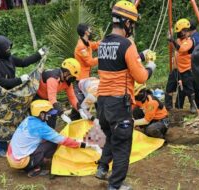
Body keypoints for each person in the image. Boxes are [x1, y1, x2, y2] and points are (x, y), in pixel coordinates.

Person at [95, 1, 156, 189]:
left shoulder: (103, 42)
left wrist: (140, 56)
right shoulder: (127, 44)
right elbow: (140, 76)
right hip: (118, 103)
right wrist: (150, 67)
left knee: (111, 136)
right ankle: (116, 184)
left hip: (102, 103)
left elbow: (118, 61)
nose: (132, 28)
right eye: (132, 24)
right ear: (126, 23)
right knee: (122, 144)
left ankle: (102, 168)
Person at [0, 35, 46, 157]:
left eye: (9, 48)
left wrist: (38, 54)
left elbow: (23, 62)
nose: (8, 51)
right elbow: (0, 81)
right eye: (6, 49)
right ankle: (0, 148)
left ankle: (17, 142)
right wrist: (19, 80)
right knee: (2, 120)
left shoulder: (8, 57)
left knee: (16, 116)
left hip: (12, 93)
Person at [6, 100, 99, 177]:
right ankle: (33, 168)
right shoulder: (41, 127)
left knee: (49, 141)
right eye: (48, 113)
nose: (50, 115)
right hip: (20, 162)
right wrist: (85, 144)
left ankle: (32, 161)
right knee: (53, 144)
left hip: (11, 155)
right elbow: (63, 141)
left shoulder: (29, 119)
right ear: (41, 114)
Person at [36, 58, 88, 128]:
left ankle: (50, 136)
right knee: (39, 119)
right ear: (66, 73)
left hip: (48, 99)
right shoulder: (53, 79)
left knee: (52, 117)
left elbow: (72, 97)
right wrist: (62, 114)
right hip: (37, 97)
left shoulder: (67, 81)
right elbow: (52, 98)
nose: (73, 79)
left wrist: (80, 110)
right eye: (72, 76)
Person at [71, 23, 100, 120]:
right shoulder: (81, 46)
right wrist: (103, 57)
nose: (91, 31)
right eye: (90, 29)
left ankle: (100, 120)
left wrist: (106, 41)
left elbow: (95, 45)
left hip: (86, 77)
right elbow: (90, 62)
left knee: (94, 98)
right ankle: (72, 122)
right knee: (80, 102)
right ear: (86, 32)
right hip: (80, 79)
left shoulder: (86, 42)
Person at [168, 18, 197, 113]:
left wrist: (173, 41)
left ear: (185, 31)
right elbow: (174, 47)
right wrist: (170, 38)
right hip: (176, 69)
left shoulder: (189, 41)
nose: (179, 34)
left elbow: (181, 49)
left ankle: (193, 105)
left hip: (186, 70)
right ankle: (168, 106)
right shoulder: (178, 40)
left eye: (180, 32)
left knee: (189, 88)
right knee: (170, 87)